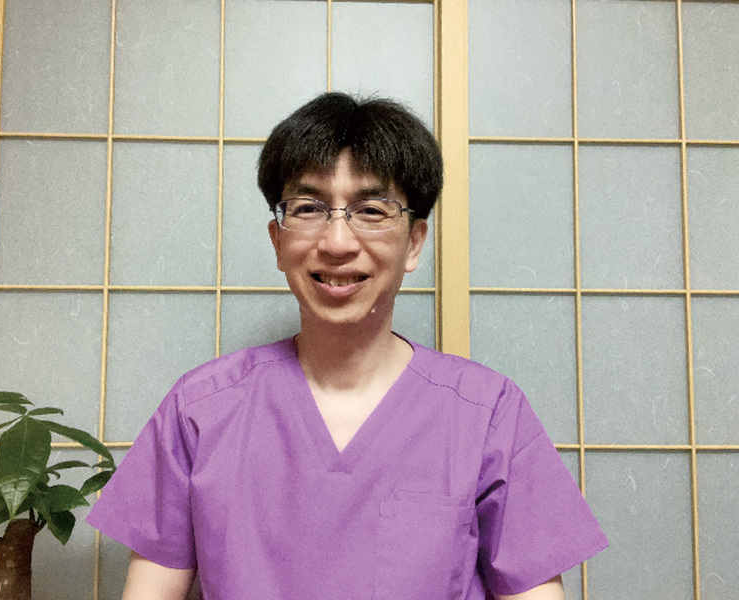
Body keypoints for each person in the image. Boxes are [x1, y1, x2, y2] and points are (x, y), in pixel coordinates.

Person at [87, 92, 608, 600]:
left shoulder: (487, 414)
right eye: (309, 208)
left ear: (414, 243)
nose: (337, 243)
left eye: (372, 210)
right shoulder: (200, 410)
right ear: (277, 241)